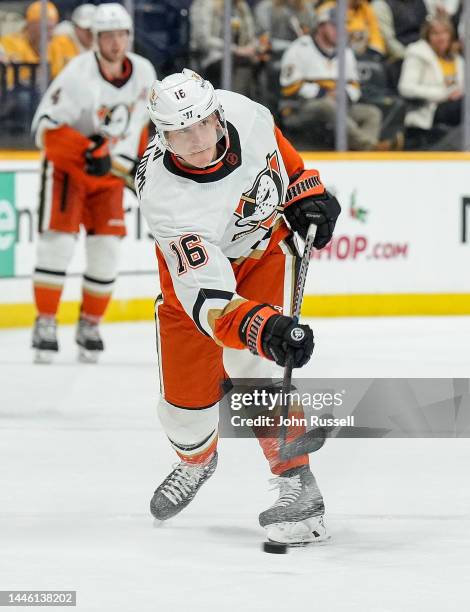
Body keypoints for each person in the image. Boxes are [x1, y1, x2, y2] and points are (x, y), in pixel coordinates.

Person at [136, 69, 341, 545]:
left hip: (263, 254)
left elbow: (284, 161)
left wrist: (309, 194)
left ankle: (298, 485)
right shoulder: (166, 198)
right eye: (180, 135)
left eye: (202, 125)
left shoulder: (247, 112)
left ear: (216, 113)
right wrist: (264, 326)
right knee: (184, 410)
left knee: (258, 373)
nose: (197, 142)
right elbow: (210, 301)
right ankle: (196, 459)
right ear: (161, 137)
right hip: (194, 285)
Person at [31, 3, 156, 363]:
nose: (115, 43)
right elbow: (46, 130)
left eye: (121, 35)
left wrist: (141, 165)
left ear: (129, 37)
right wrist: (88, 151)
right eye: (108, 36)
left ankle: (89, 324)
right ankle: (45, 321)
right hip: (69, 173)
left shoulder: (144, 72)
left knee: (106, 252)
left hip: (111, 178)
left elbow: (149, 125)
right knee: (56, 245)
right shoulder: (77, 75)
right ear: (95, 39)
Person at [279, 2, 383, 150]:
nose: (341, 31)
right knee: (327, 106)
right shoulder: (300, 47)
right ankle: (370, 146)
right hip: (301, 108)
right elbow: (290, 87)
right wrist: (326, 93)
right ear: (321, 26)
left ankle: (364, 153)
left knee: (372, 113)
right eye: (335, 26)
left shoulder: (345, 52)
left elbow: (354, 87)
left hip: (338, 106)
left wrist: (343, 93)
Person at [398, 14, 463, 150]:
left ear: (451, 35)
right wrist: (443, 94)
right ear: (427, 36)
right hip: (431, 109)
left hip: (456, 105)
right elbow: (406, 87)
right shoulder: (418, 54)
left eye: (444, 32)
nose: (441, 38)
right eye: (435, 33)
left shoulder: (458, 59)